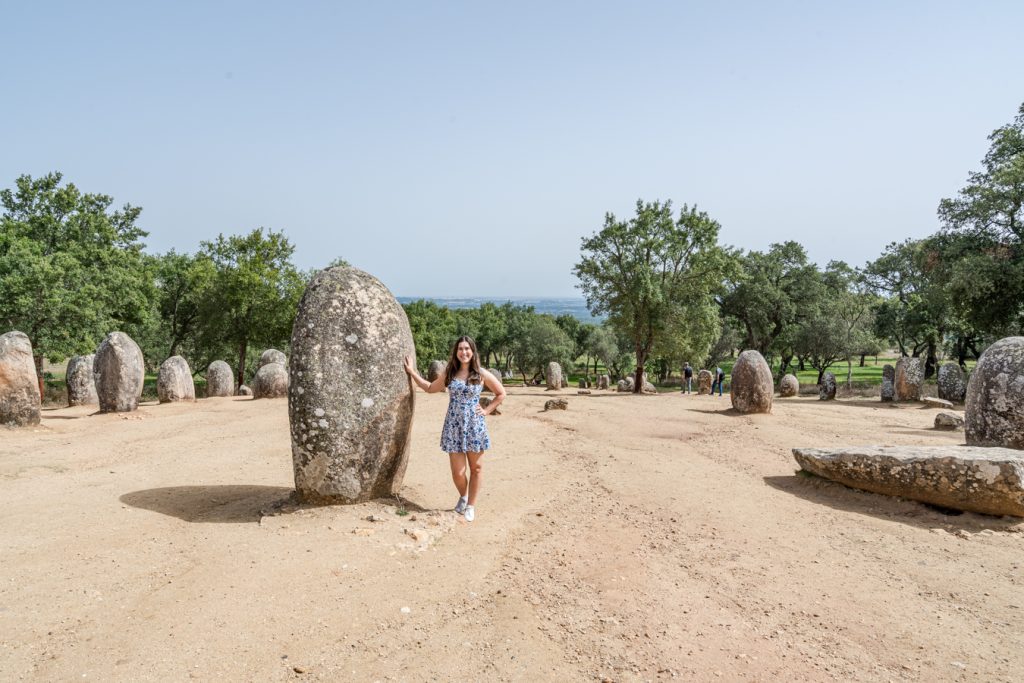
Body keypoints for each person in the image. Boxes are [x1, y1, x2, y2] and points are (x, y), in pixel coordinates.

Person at [404, 336, 505, 523]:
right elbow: (429, 387)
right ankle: (464, 496)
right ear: (456, 352)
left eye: (467, 348)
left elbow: (501, 393)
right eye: (460, 348)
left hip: (474, 426)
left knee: (476, 468)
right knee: (458, 472)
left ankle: (471, 506)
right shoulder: (450, 373)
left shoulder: (481, 373)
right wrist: (411, 372)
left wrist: (486, 410)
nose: (464, 352)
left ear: (473, 351)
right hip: (454, 426)